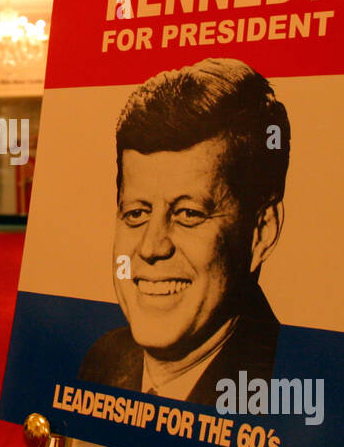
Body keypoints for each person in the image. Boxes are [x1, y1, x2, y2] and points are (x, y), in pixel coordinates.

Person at [78, 58, 289, 404]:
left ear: (261, 232)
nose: (151, 246)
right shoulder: (104, 359)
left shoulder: (292, 389)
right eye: (136, 213)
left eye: (189, 213)